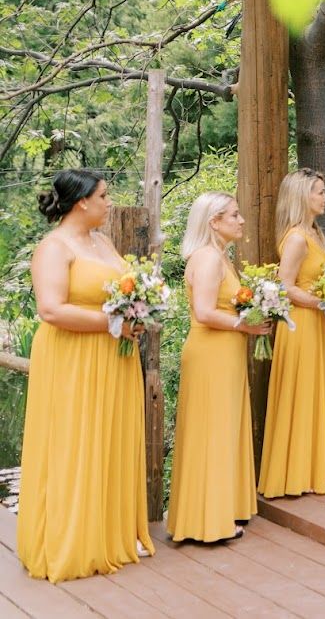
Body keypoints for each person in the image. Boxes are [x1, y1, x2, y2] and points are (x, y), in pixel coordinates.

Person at [18, 169, 155, 582]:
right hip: (72, 358)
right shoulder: (54, 248)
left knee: (108, 439)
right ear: (82, 202)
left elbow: (120, 292)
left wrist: (139, 310)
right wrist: (114, 322)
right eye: (104, 196)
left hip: (114, 357)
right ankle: (71, 540)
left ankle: (107, 533)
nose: (109, 202)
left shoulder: (103, 241)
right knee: (73, 442)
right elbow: (51, 310)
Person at [168, 192, 270, 542]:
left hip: (224, 352)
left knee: (223, 428)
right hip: (211, 353)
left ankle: (218, 508)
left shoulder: (220, 258)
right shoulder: (209, 258)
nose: (241, 221)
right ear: (214, 222)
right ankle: (208, 521)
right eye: (234, 215)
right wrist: (246, 325)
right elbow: (204, 312)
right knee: (212, 430)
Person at [258, 168, 325, 498]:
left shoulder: (314, 233)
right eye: (319, 192)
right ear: (302, 197)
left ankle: (308, 468)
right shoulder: (295, 238)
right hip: (299, 324)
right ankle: (290, 473)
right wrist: (323, 302)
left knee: (313, 393)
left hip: (314, 323)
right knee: (299, 392)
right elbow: (284, 287)